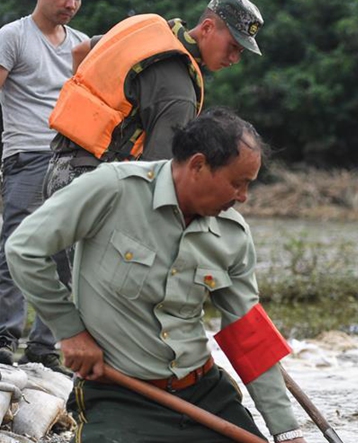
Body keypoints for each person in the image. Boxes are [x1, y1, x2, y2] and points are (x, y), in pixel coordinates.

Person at [6, 107, 306, 442]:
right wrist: (71, 332)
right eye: (237, 184)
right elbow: (24, 249)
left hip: (204, 396)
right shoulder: (113, 189)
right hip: (119, 395)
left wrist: (287, 432)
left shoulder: (232, 235)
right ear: (198, 165)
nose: (243, 197)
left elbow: (248, 337)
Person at [45, 0, 263, 196]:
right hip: (94, 185)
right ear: (207, 28)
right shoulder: (181, 92)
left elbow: (79, 51)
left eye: (241, 52)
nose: (234, 58)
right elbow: (158, 174)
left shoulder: (144, 30)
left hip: (57, 169)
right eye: (232, 46)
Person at [0, 0, 88, 374]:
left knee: (65, 254)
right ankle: (6, 333)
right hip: (26, 153)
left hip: (70, 157)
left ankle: (44, 344)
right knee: (16, 244)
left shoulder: (82, 44)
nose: (71, 4)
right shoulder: (12, 37)